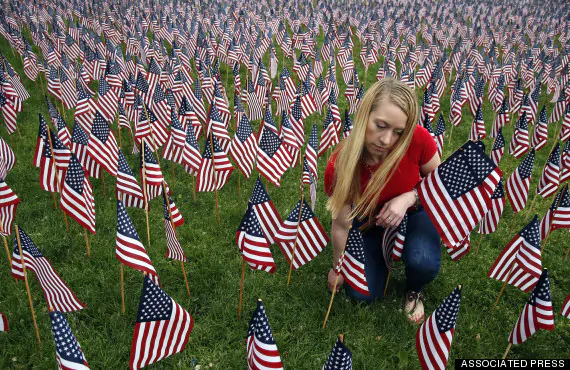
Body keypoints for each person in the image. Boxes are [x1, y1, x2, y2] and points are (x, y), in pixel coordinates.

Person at [324, 78, 441, 324]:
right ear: (365, 115)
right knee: (361, 293)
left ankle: (414, 288)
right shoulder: (341, 164)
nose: (387, 140)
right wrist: (338, 267)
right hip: (372, 223)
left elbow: (441, 184)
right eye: (380, 125)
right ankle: (382, 258)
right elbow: (342, 224)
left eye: (398, 132)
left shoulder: (419, 139)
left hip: (415, 212)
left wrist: (409, 197)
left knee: (422, 261)